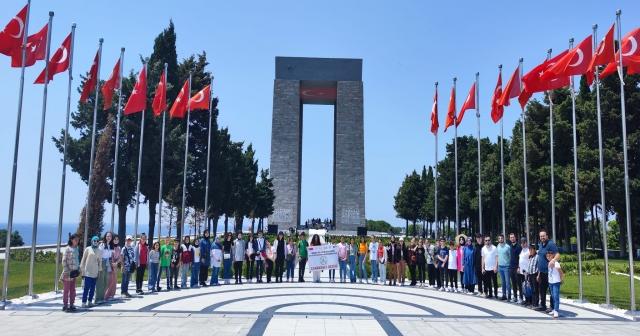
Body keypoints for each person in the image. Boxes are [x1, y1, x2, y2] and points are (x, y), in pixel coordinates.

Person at [536, 229, 560, 313]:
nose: (542, 237)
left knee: (551, 291)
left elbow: (557, 255)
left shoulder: (551, 244)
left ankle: (552, 306)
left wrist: (553, 261)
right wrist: (538, 273)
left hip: (549, 272)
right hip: (541, 272)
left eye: (544, 236)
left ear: (547, 236)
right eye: (541, 236)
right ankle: (542, 305)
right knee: (542, 290)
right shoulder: (540, 244)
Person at [60, 233, 81, 312]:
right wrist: (66, 271)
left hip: (74, 272)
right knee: (66, 289)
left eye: (78, 240)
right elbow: (64, 261)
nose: (77, 241)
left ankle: (72, 303)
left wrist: (79, 269)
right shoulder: (67, 249)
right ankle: (65, 305)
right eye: (76, 239)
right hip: (68, 272)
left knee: (73, 289)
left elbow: (77, 260)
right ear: (71, 240)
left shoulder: (76, 249)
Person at [80, 236, 101, 307]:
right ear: (92, 241)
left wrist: (99, 270)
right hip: (87, 271)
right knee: (87, 287)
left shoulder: (99, 250)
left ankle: (90, 301)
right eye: (94, 241)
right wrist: (82, 269)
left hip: (94, 271)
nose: (95, 242)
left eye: (97, 241)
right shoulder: (88, 249)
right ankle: (83, 301)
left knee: (93, 287)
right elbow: (83, 259)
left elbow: (100, 261)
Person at [544, 250, 564, 318]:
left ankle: (556, 310)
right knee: (552, 296)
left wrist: (561, 279)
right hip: (551, 281)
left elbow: (560, 272)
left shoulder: (556, 263)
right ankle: (554, 309)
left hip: (556, 281)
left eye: (549, 255)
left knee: (556, 296)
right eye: (547, 256)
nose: (548, 257)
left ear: (553, 255)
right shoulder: (549, 263)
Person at [95, 232, 112, 304]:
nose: (109, 237)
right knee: (100, 281)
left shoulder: (109, 246)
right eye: (108, 236)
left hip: (107, 263)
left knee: (105, 281)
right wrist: (99, 266)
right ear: (105, 237)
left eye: (110, 236)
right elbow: (99, 255)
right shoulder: (102, 245)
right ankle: (98, 298)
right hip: (102, 263)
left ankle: (102, 297)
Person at [105, 235, 121, 301]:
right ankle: (106, 295)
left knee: (114, 281)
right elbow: (108, 256)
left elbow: (119, 257)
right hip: (109, 264)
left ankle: (112, 294)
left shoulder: (119, 248)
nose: (116, 240)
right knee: (110, 280)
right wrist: (111, 263)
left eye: (117, 239)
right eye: (114, 239)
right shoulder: (110, 247)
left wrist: (116, 263)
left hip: (115, 265)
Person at [508, 233, 523, 303]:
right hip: (511, 267)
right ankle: (515, 297)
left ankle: (521, 298)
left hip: (517, 268)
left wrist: (519, 267)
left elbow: (520, 257)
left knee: (519, 283)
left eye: (513, 237)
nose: (512, 238)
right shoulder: (510, 246)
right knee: (513, 283)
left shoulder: (519, 246)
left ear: (515, 238)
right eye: (511, 237)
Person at [496, 234, 511, 301]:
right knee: (503, 282)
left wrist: (509, 264)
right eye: (499, 238)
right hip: (500, 266)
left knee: (508, 282)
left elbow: (510, 256)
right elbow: (497, 256)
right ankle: (504, 295)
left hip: (506, 267)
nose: (500, 239)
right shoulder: (498, 246)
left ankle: (509, 296)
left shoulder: (507, 247)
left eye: (501, 238)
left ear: (504, 239)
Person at [517, 237, 530, 305]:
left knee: (528, 286)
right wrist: (519, 267)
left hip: (526, 272)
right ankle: (526, 299)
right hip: (522, 271)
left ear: (526, 242)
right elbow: (520, 260)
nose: (522, 244)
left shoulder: (528, 251)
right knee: (523, 286)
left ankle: (529, 300)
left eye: (524, 242)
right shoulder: (522, 250)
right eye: (521, 242)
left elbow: (529, 261)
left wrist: (528, 271)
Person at [527, 244, 539, 308]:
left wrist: (538, 275)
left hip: (535, 274)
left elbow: (538, 267)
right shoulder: (530, 257)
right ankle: (533, 302)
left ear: (534, 250)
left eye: (531, 250)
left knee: (535, 289)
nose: (530, 251)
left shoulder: (537, 257)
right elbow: (529, 266)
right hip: (530, 275)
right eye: (529, 250)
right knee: (532, 289)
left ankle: (536, 303)